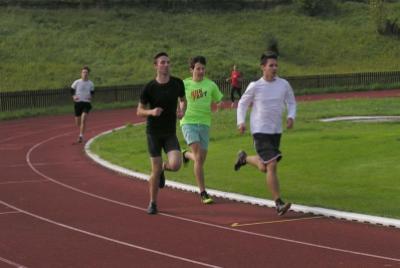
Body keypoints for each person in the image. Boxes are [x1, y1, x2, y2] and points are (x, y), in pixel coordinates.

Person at [234, 51, 296, 216]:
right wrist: (241, 122)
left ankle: (244, 158)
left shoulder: (283, 84)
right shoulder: (255, 86)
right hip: (260, 131)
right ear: (263, 67)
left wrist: (291, 116)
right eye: (271, 65)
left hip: (276, 131)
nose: (274, 68)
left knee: (264, 166)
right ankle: (278, 203)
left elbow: (291, 101)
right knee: (272, 164)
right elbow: (242, 104)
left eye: (276, 65)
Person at [137, 52, 186, 215]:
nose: (166, 65)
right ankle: (152, 203)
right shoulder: (149, 88)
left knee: (176, 164)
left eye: (168, 62)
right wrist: (151, 112)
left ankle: (164, 168)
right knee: (154, 171)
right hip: (153, 133)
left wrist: (182, 110)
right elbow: (139, 111)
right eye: (162, 62)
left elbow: (183, 99)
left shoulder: (177, 83)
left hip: (170, 132)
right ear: (156, 66)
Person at [180, 56, 224, 204]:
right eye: (198, 68)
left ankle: (185, 155)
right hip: (188, 122)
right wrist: (178, 110)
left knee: (200, 160)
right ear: (191, 69)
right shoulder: (184, 84)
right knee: (198, 158)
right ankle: (203, 192)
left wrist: (219, 105)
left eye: (203, 68)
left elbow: (218, 99)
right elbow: (177, 99)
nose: (201, 71)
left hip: (205, 124)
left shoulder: (210, 85)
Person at [71, 66, 94, 143]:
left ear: (88, 74)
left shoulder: (91, 83)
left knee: (83, 119)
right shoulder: (77, 82)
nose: (85, 74)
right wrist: (74, 96)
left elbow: (92, 92)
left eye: (86, 72)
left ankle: (81, 136)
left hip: (86, 103)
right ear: (81, 73)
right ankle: (81, 129)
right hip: (78, 103)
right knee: (78, 122)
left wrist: (91, 96)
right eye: (83, 72)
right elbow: (71, 90)